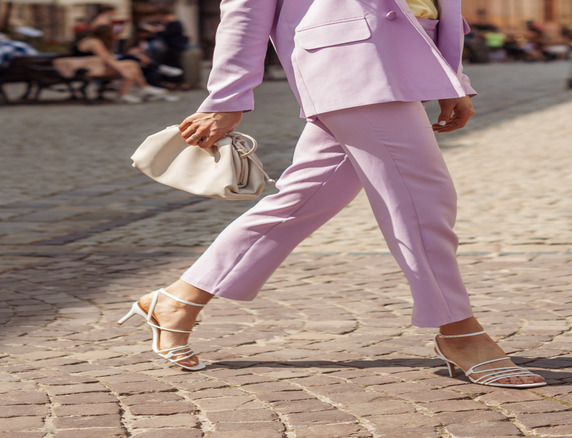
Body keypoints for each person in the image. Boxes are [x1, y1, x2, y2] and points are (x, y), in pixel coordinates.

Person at [118, 0, 546, 389]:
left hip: (401, 58)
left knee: (305, 200)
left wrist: (452, 78)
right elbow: (246, 7)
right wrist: (228, 96)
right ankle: (459, 332)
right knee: (421, 198)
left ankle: (178, 300)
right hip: (349, 61)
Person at [72, 25, 170, 103]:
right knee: (130, 66)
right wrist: (122, 70)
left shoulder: (93, 41)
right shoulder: (94, 42)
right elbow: (106, 58)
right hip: (85, 68)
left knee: (131, 64)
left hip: (93, 66)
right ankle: (139, 88)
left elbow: (108, 57)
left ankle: (137, 89)